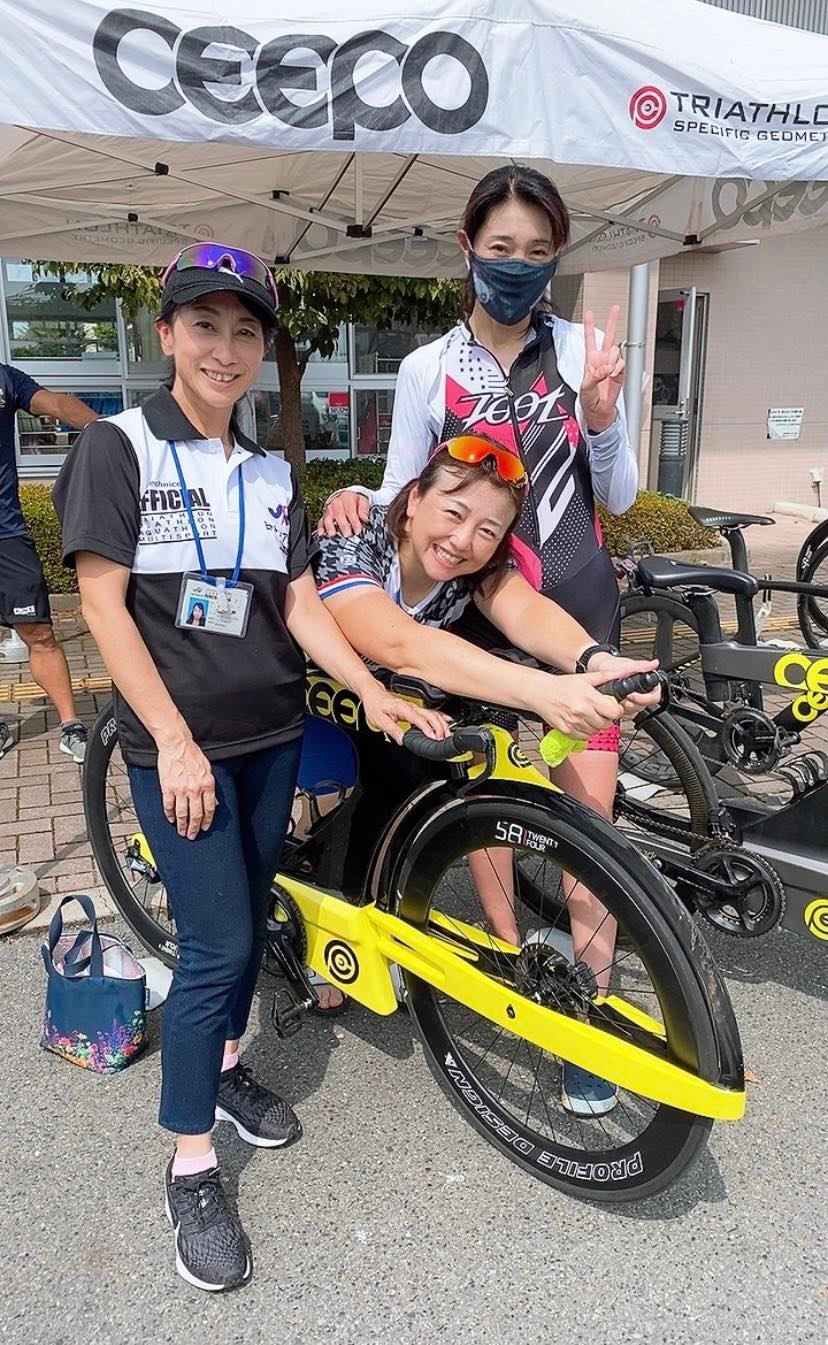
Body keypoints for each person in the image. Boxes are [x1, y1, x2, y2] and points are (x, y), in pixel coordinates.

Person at [52, 242, 446, 1294]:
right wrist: (173, 740)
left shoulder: (272, 470)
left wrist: (368, 689)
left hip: (271, 736)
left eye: (244, 331)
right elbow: (101, 606)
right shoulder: (119, 448)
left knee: (253, 911)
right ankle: (188, 1165)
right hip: (179, 749)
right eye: (204, 325)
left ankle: (226, 1069)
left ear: (262, 349)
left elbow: (299, 603)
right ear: (166, 333)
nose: (224, 349)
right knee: (219, 947)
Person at [319, 164, 637, 1114]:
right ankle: (512, 967)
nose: (518, 266)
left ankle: (589, 1022)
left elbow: (619, 497)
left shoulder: (581, 349)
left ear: (556, 259)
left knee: (591, 829)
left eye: (539, 252)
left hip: (571, 608)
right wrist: (351, 498)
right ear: (468, 250)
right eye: (501, 249)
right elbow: (407, 493)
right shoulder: (429, 367)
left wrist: (601, 421)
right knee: (485, 804)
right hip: (474, 614)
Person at [315, 442, 659, 1107]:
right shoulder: (354, 532)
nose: (463, 540)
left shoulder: (476, 564)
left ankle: (503, 958)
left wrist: (594, 659)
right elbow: (396, 641)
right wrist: (544, 693)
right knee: (347, 808)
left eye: (487, 530)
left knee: (432, 776)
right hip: (304, 690)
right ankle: (320, 933)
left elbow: (522, 610)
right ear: (414, 499)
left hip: (385, 696)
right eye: (453, 513)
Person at [0, 364, 100, 761]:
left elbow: (56, 404)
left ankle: (70, 726)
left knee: (39, 633)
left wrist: (108, 430)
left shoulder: (6, 379)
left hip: (6, 534)